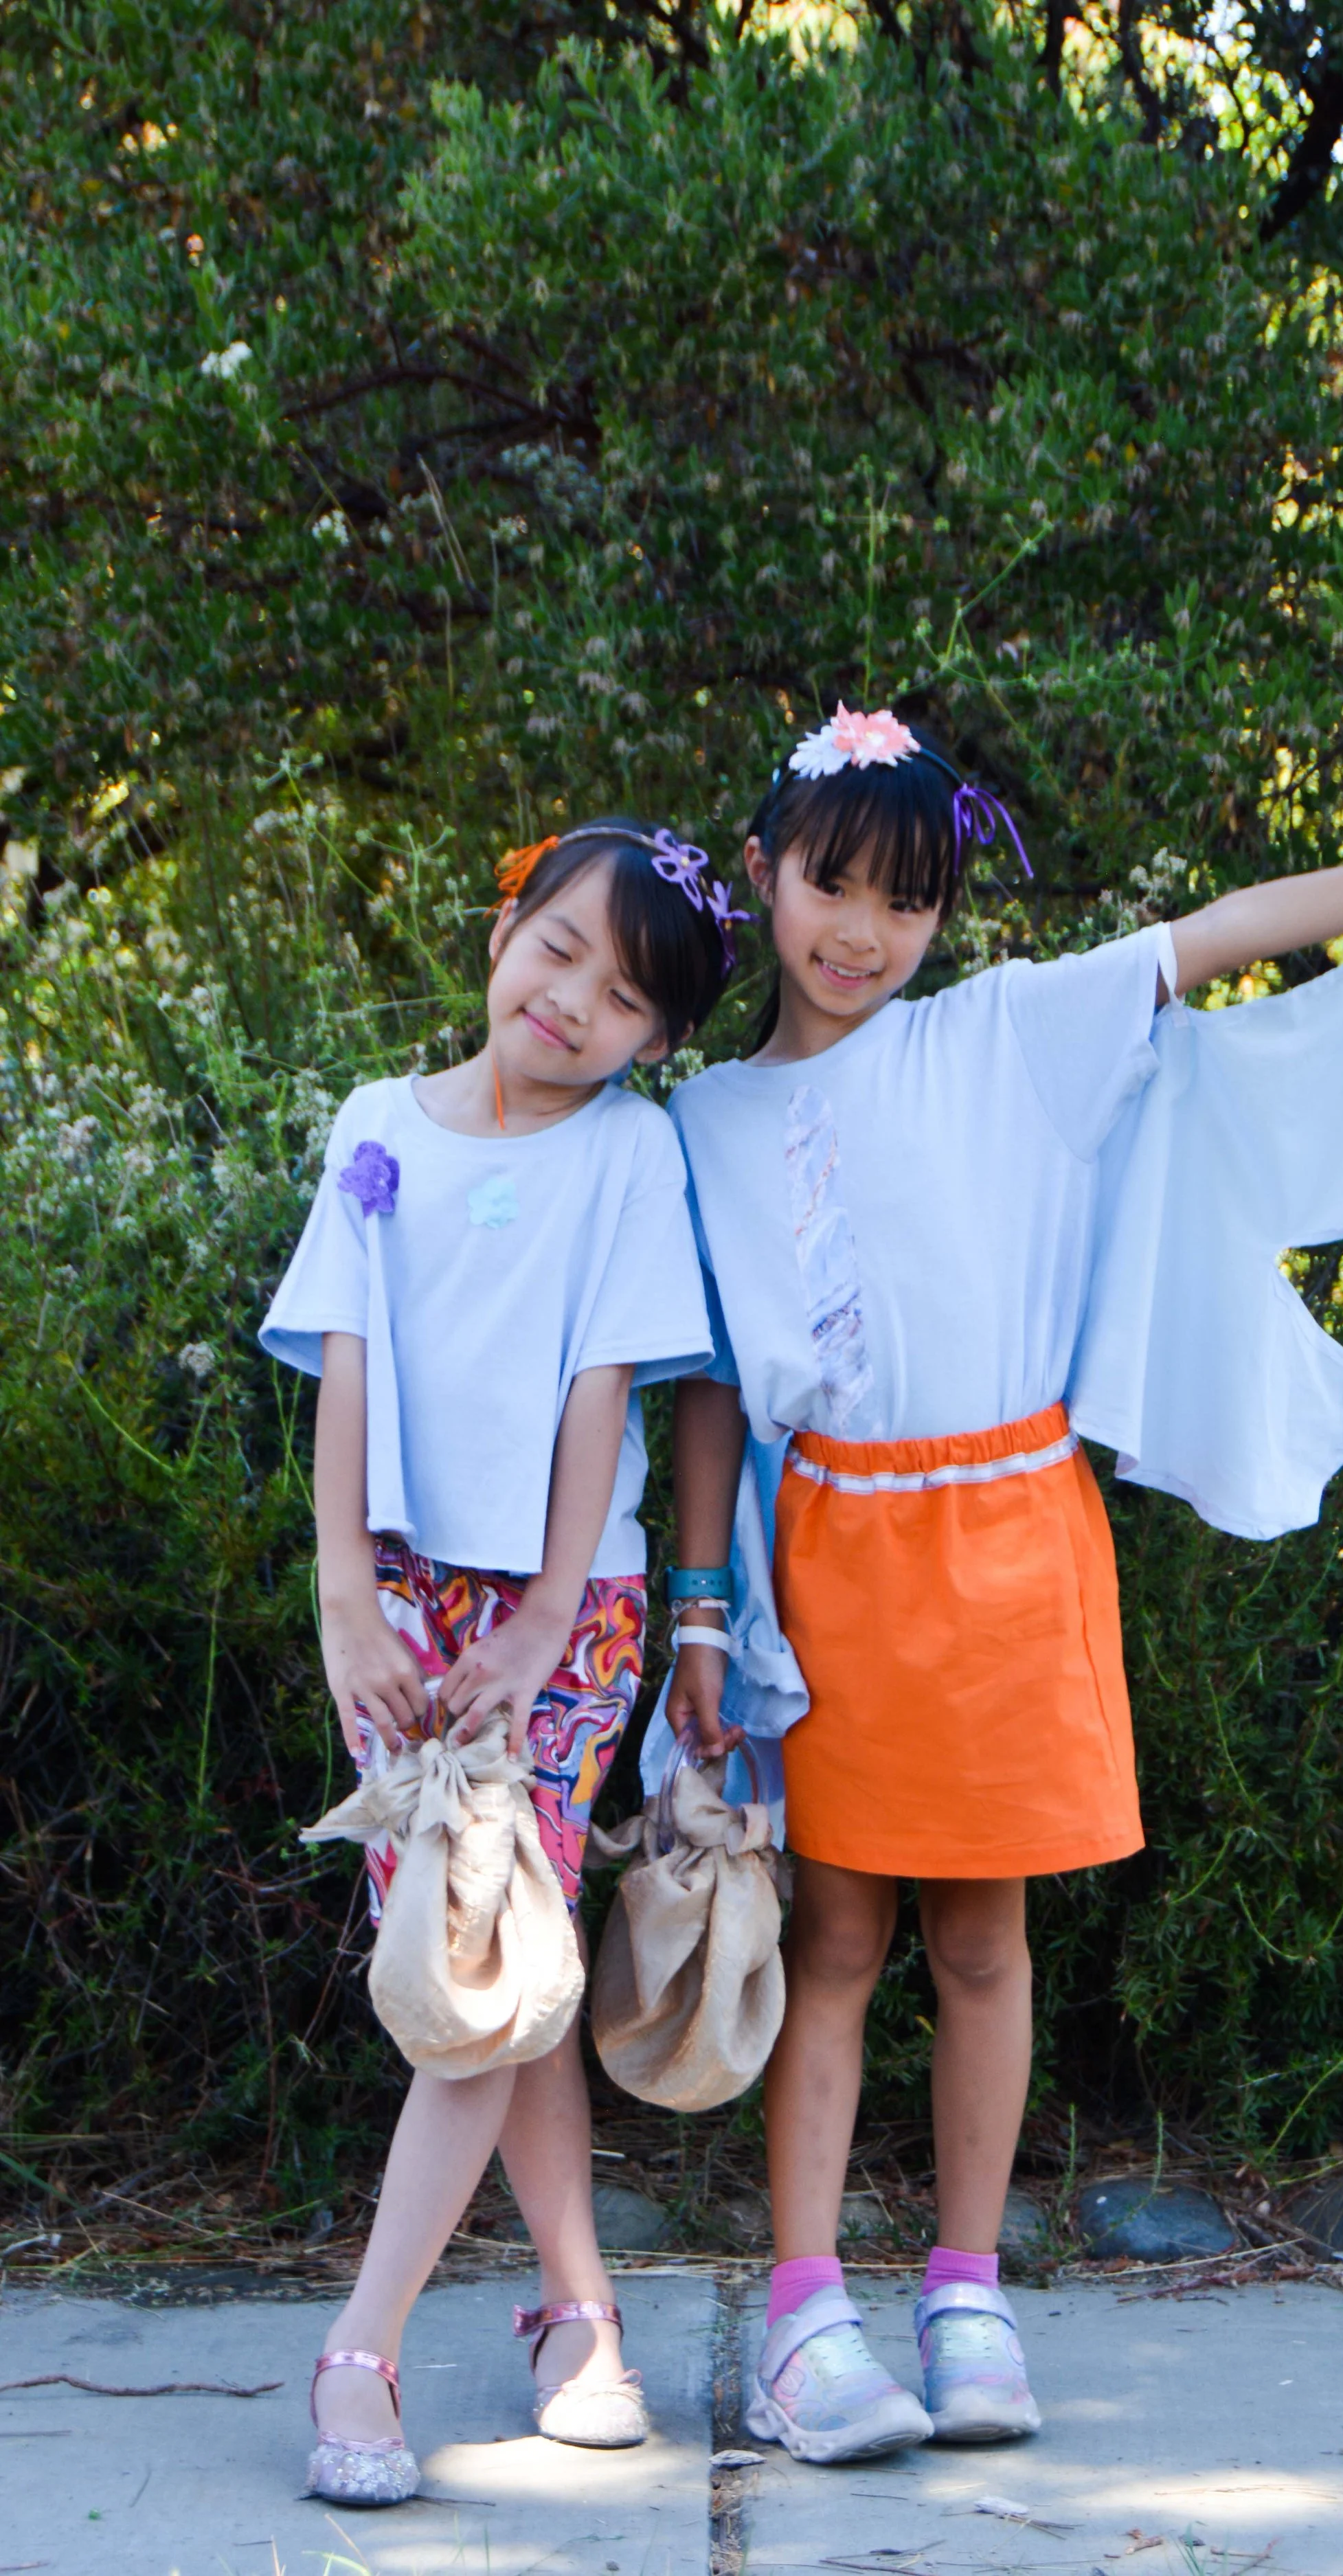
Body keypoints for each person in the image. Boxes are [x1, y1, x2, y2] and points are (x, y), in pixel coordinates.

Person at [663, 703, 1343, 2463]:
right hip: (836, 1557)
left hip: (1014, 1541)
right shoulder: (707, 1116)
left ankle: (965, 2292)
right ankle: (803, 2319)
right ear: (764, 873)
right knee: (834, 1938)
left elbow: (1224, 930)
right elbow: (716, 1379)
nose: (860, 933)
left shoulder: (1007, 1035)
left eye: (906, 900)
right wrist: (700, 1609)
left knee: (980, 1938)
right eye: (829, 885)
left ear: (947, 917)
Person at [261, 819, 742, 2505]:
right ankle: (577, 2311)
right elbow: (347, 1369)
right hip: (402, 1610)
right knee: (498, 1952)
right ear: (507, 924)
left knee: (473, 1977)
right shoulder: (376, 1131)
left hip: (565, 1614)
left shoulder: (627, 1156)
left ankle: (361, 2348)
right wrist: (341, 1599)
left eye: (623, 1000)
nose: (572, 1003)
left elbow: (603, 1387)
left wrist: (546, 1621)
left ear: (656, 1044)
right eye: (558, 950)